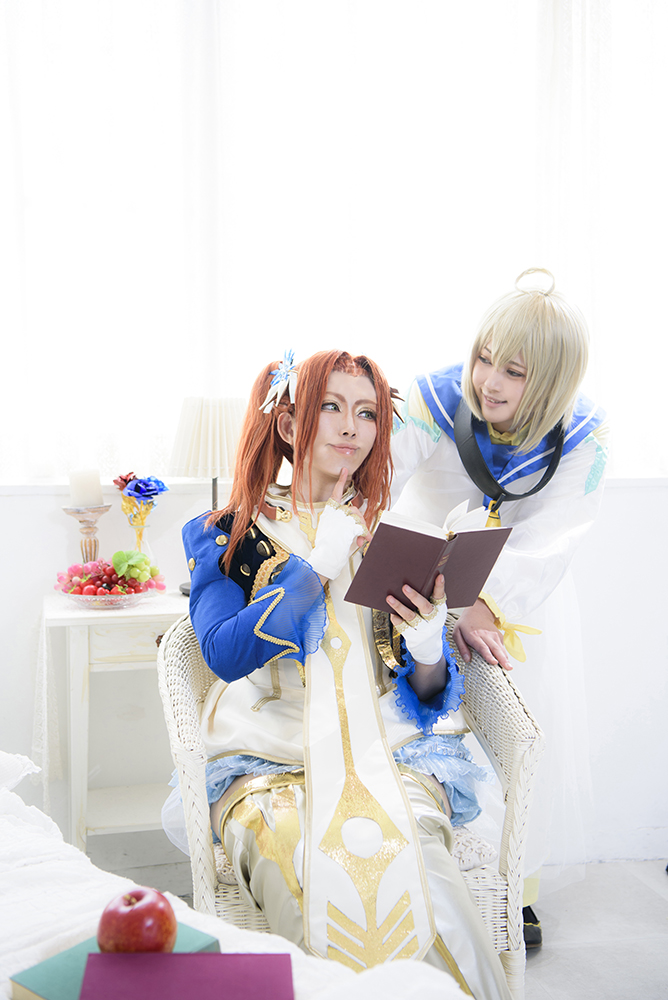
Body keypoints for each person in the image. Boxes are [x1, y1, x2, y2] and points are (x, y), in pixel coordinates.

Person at [173, 348, 511, 998]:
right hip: (273, 762)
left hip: (393, 757)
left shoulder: (396, 535)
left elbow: (427, 698)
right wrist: (316, 567)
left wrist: (428, 646)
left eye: (368, 413)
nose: (352, 427)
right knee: (306, 868)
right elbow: (223, 652)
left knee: (428, 881)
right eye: (331, 407)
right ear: (288, 423)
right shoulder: (226, 533)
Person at [390, 269, 609, 947]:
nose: (488, 381)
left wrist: (487, 600)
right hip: (419, 589)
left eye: (514, 371)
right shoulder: (432, 397)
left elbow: (553, 536)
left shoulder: (583, 434)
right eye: (484, 358)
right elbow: (376, 477)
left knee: (516, 739)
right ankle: (424, 875)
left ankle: (514, 886)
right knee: (424, 731)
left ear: (552, 380)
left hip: (515, 603)